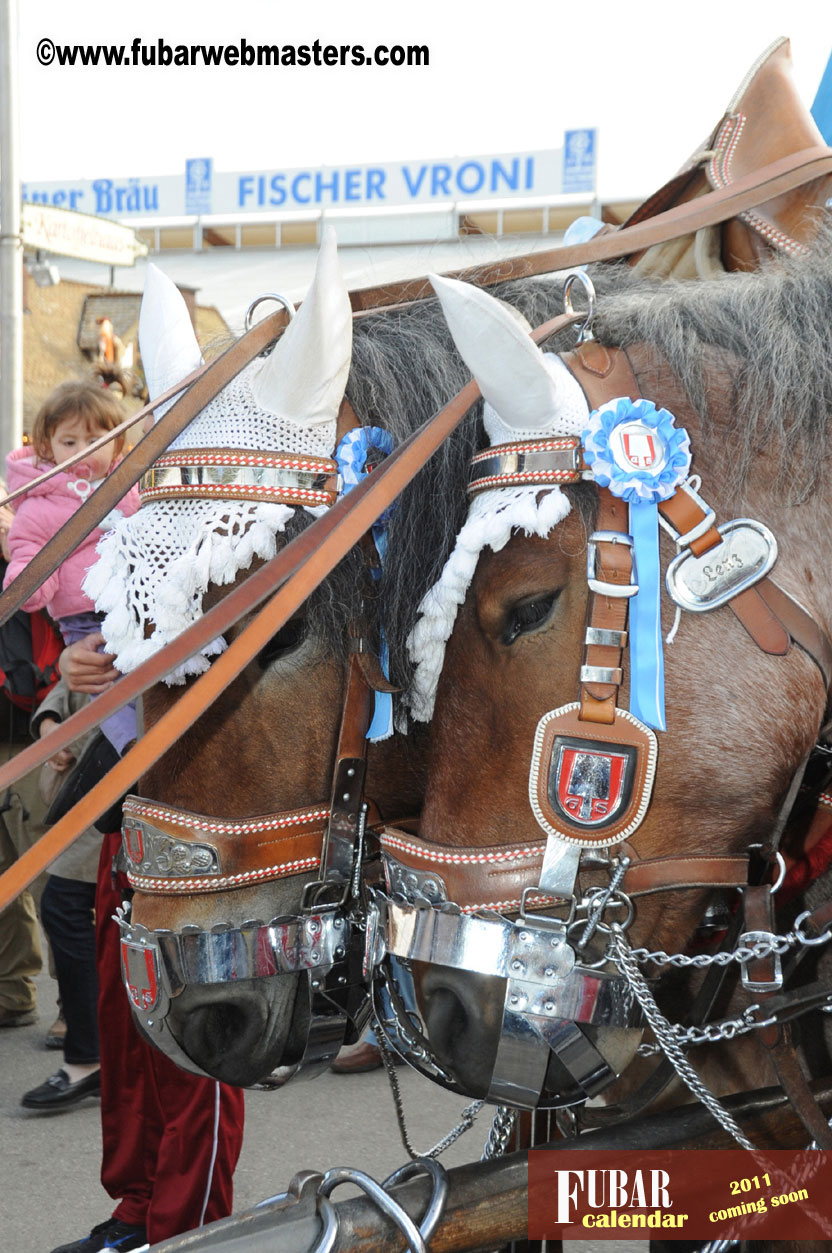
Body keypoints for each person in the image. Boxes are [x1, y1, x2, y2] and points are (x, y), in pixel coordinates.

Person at [50, 638, 245, 1253]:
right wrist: (74, 663)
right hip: (132, 797)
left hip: (206, 794)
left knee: (193, 1042)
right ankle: (139, 1211)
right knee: (127, 1032)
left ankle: (186, 1234)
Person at [3, 381, 141, 773]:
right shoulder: (38, 503)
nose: (83, 452)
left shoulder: (129, 485)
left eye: (96, 440)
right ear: (46, 448)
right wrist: (26, 584)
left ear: (117, 444)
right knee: (103, 685)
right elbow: (28, 551)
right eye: (69, 442)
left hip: (134, 604)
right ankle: (131, 745)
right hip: (83, 617)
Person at [20, 679, 105, 1112]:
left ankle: (92, 1055)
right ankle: (95, 1052)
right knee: (72, 908)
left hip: (127, 750)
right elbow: (79, 654)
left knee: (67, 906)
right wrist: (52, 719)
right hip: (100, 742)